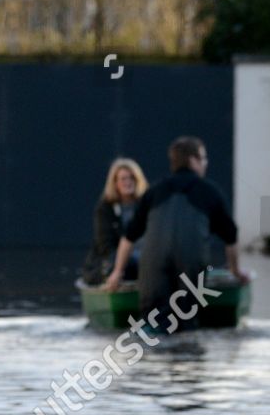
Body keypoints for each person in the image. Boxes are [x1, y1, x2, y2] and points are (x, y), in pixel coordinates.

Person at [103, 136, 249, 323]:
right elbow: (231, 237)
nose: (206, 163)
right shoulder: (210, 192)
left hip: (152, 267)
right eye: (203, 158)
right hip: (191, 265)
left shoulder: (155, 191)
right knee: (185, 323)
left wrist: (117, 272)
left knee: (153, 325)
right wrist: (235, 271)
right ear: (193, 160)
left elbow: (128, 237)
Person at [80, 157, 147, 286]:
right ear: (115, 182)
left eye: (131, 178)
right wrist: (118, 267)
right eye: (123, 179)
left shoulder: (146, 205)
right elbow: (105, 244)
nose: (128, 182)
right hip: (119, 261)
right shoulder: (105, 208)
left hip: (145, 257)